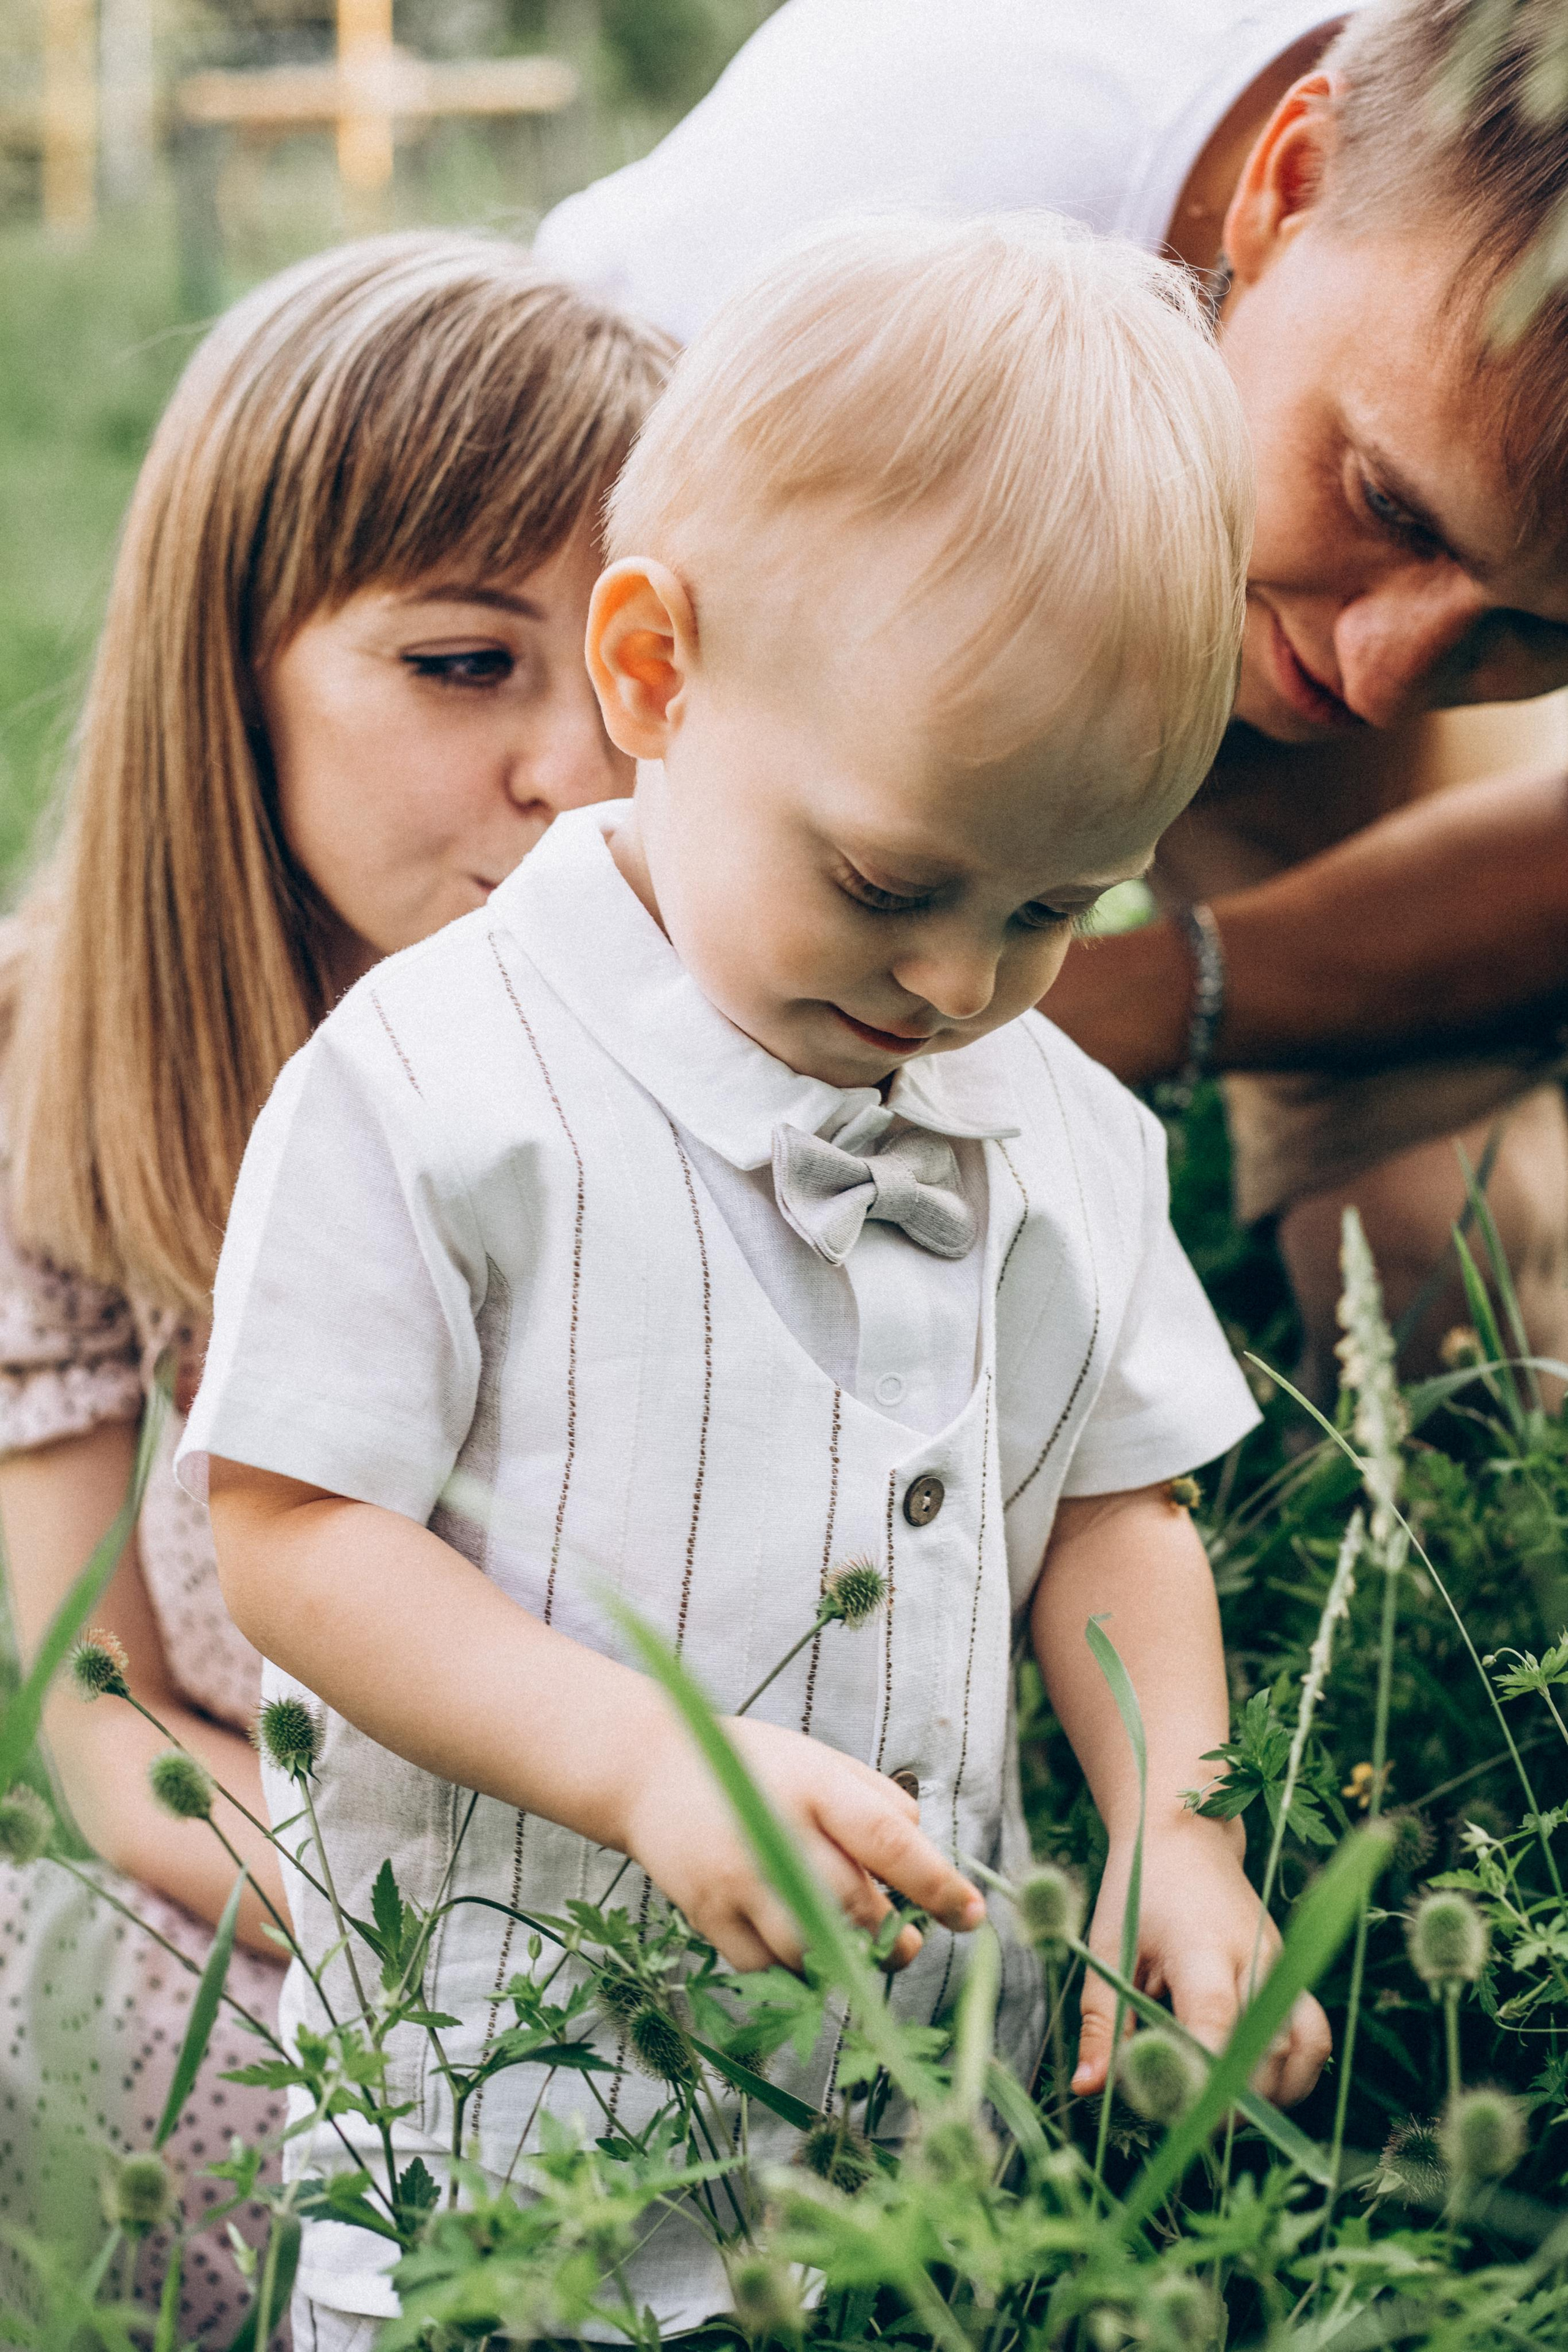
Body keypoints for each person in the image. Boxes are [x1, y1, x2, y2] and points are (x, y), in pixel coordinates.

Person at [180, 212, 1328, 2348]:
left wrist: (1183, 1831)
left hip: (905, 2163)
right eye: (891, 883)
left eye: (1056, 907)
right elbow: (293, 1533)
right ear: (655, 675)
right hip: (506, 2170)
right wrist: (643, 1765)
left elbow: (1114, 1512)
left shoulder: (1047, 1117)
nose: (958, 982)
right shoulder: (440, 1088)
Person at [535, 0, 1568, 1393]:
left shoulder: (1374, 580)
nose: (1389, 677)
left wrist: (1127, 1004)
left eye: (1531, 630)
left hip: (1233, 559)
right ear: (1291, 181)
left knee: (1454, 1257)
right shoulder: (904, 175)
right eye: (1381, 496)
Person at [0, 232, 669, 2335]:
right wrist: (427, 1967)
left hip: (714, 1948)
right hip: (291, 1939)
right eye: (464, 665)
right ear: (235, 677)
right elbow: (105, 1724)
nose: (575, 767)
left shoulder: (729, 1064)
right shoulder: (60, 1072)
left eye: (641, 665)